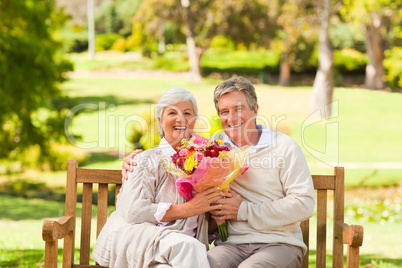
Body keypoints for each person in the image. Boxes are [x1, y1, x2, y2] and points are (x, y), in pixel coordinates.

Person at [123, 77, 315, 268]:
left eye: (238, 109)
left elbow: (304, 204)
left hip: (279, 244)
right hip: (232, 245)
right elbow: (177, 153)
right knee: (199, 264)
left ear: (255, 109)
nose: (231, 118)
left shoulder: (283, 146)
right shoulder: (214, 147)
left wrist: (243, 211)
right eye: (224, 111)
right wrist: (135, 159)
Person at [92, 88, 227, 268]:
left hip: (173, 259)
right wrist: (189, 208)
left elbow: (200, 225)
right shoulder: (145, 160)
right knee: (190, 247)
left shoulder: (203, 163)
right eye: (172, 112)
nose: (181, 119)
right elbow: (134, 210)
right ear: (160, 121)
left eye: (187, 113)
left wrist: (217, 213)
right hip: (144, 245)